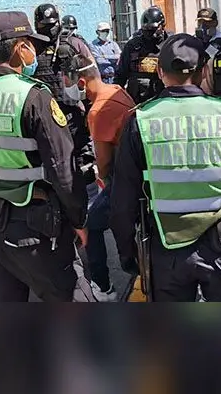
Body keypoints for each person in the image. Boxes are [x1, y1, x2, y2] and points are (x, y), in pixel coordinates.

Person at [0, 11, 89, 302]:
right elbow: (62, 169)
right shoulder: (33, 95)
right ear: (20, 47)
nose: (35, 53)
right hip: (35, 226)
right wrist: (79, 219)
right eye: (31, 45)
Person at [111, 34, 221, 301]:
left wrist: (127, 252)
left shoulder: (141, 120)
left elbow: (123, 198)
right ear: (204, 71)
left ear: (159, 72)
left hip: (166, 248)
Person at [63, 54, 136, 301]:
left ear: (82, 83)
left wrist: (102, 180)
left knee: (91, 224)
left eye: (69, 84)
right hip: (135, 170)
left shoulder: (98, 111)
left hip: (124, 179)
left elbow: (103, 163)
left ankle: (103, 287)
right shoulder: (117, 90)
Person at [32, 3, 99, 226]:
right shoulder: (32, 48)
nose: (49, 29)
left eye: (52, 25)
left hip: (71, 115)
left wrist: (90, 110)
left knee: (82, 163)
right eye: (44, 25)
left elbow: (91, 76)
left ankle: (89, 216)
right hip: (44, 118)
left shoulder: (73, 44)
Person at [115, 6, 169, 104]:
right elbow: (121, 75)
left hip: (162, 101)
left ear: (162, 26)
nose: (150, 33)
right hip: (137, 102)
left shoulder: (170, 45)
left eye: (153, 29)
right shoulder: (132, 46)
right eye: (146, 30)